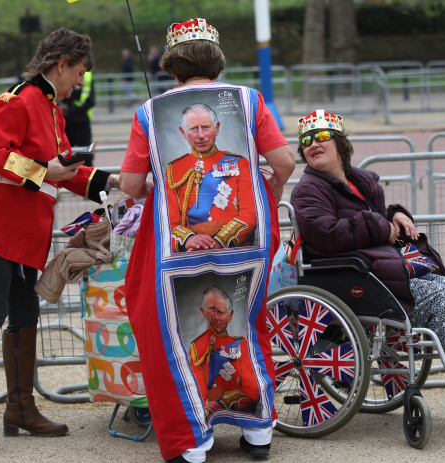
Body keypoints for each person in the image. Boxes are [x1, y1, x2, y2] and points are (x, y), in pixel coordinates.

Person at [119, 18, 295, 463]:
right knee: (245, 320)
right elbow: (283, 161)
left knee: (170, 331)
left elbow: (131, 183)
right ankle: (258, 431)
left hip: (175, 252)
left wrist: (147, 192)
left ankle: (192, 441)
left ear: (172, 65)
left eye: (206, 130)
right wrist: (270, 192)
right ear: (216, 61)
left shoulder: (149, 111)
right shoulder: (249, 100)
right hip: (249, 244)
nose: (200, 135)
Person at [0, 27, 121, 452]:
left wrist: (114, 181)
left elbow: (65, 170)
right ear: (61, 64)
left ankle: (20, 409)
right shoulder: (20, 99)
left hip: (22, 231)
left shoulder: (50, 108)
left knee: (25, 314)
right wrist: (44, 173)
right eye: (78, 71)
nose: (80, 80)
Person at [291, 109, 445, 408]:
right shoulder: (308, 190)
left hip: (381, 271)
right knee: (438, 297)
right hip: (352, 279)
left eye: (321, 136)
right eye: (306, 141)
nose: (312, 144)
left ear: (341, 144)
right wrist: (380, 226)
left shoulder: (360, 182)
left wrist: (394, 213)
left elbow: (369, 218)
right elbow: (326, 233)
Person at [167, 103, 256, 252]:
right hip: (192, 252)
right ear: (183, 133)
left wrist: (220, 241)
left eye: (206, 127)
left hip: (234, 250)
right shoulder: (173, 170)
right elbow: (169, 222)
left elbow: (250, 214)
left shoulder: (240, 164)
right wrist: (189, 240)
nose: (201, 135)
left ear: (217, 128)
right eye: (194, 129)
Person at [189, 287, 260, 418]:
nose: (216, 317)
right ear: (203, 312)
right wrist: (204, 403)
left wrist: (221, 403)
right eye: (211, 310)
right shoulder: (197, 346)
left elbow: (253, 390)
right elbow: (194, 382)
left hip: (234, 408)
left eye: (220, 312)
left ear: (230, 316)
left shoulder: (241, 344)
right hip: (206, 409)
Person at [59, 70, 95, 165]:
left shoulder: (87, 76)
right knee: (63, 157)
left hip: (81, 122)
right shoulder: (61, 71)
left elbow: (91, 101)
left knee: (86, 157)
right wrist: (59, 106)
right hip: (64, 123)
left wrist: (70, 110)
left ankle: (88, 179)